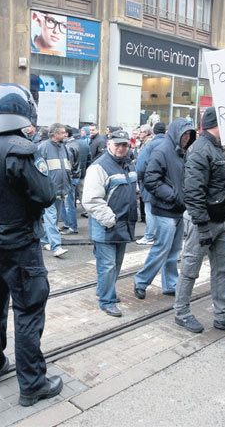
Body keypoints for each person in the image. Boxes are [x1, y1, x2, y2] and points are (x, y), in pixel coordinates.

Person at [0, 83, 64, 407]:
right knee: (28, 311)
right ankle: (32, 384)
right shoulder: (22, 149)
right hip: (20, 244)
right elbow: (46, 195)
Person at [174, 107, 225, 333]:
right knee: (190, 269)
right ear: (217, 124)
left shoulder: (215, 148)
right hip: (204, 221)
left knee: (222, 270)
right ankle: (181, 312)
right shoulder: (201, 149)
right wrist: (201, 225)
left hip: (219, 219)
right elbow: (193, 191)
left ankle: (223, 314)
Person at [134, 118, 196, 298]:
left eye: (189, 135)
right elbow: (150, 179)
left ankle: (170, 284)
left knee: (174, 251)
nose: (187, 138)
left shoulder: (184, 152)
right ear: (177, 133)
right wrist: (173, 196)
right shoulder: (162, 151)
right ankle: (141, 281)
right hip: (165, 209)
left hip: (177, 209)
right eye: (184, 134)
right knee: (162, 248)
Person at [83, 130, 138, 317]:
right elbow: (91, 200)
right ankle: (107, 300)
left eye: (124, 145)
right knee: (107, 265)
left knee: (117, 263)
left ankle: (104, 290)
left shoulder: (128, 165)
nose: (121, 148)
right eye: (117, 144)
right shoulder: (99, 167)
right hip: (107, 226)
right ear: (109, 144)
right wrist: (110, 221)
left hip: (123, 224)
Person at [38, 123, 71, 257]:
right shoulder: (43, 148)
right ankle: (56, 246)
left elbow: (67, 167)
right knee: (51, 218)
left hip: (61, 190)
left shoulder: (63, 147)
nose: (65, 135)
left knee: (54, 218)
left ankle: (45, 240)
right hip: (49, 190)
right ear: (55, 133)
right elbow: (38, 170)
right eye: (63, 132)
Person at [135, 122, 166, 245]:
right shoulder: (171, 144)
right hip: (166, 183)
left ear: (153, 132)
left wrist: (140, 179)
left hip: (151, 182)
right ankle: (161, 236)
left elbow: (141, 165)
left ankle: (149, 236)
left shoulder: (150, 145)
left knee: (150, 211)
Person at [61, 126, 81, 235]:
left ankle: (72, 227)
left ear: (66, 134)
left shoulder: (68, 146)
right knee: (67, 203)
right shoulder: (74, 144)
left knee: (68, 204)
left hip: (70, 178)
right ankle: (67, 224)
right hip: (74, 176)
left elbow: (69, 165)